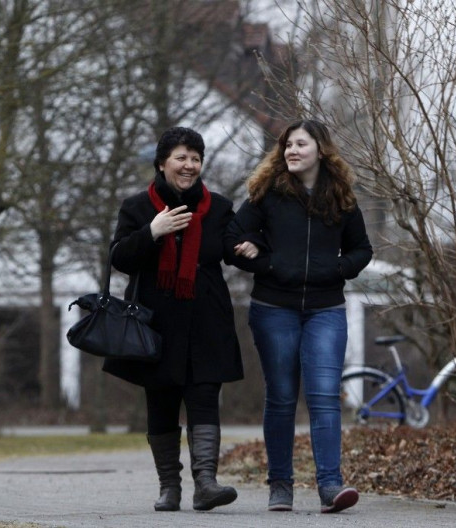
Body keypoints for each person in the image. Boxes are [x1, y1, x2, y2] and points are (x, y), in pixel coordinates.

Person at [225, 119, 373, 514]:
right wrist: (262, 255)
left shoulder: (341, 197)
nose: (291, 150)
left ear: (320, 150)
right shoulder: (268, 194)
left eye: (300, 144)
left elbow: (362, 250)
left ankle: (329, 485)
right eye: (287, 145)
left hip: (326, 310)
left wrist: (335, 270)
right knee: (282, 397)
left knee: (324, 397)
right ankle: (280, 485)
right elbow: (231, 239)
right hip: (274, 308)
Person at [102, 126, 244, 512]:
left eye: (196, 158)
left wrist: (248, 247)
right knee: (161, 401)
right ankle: (170, 488)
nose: (189, 165)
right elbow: (119, 258)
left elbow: (231, 249)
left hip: (206, 318)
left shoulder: (218, 206)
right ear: (162, 163)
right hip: (156, 321)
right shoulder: (137, 207)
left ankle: (206, 484)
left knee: (204, 398)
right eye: (181, 157)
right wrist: (152, 231)